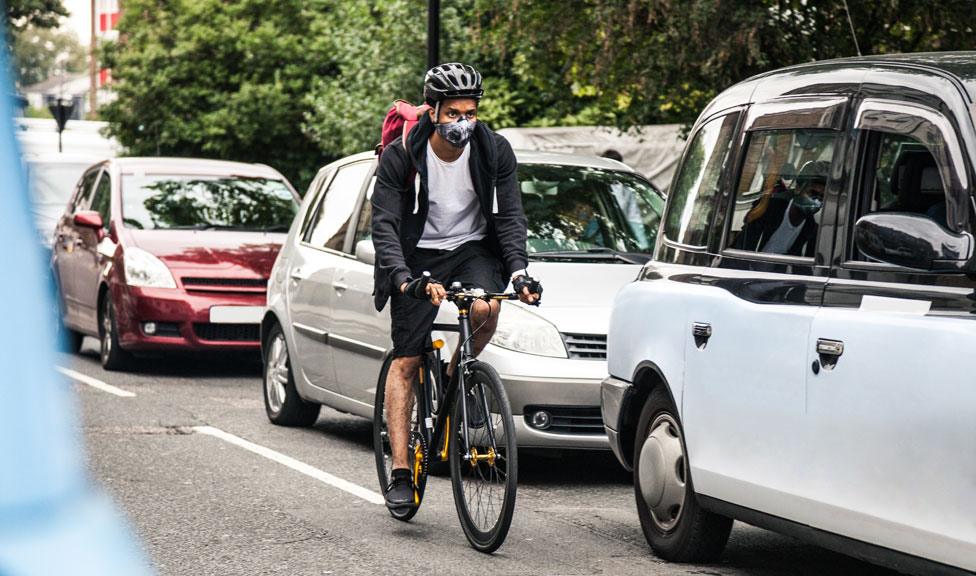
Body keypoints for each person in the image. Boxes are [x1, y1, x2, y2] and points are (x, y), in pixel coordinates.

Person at [371, 62, 542, 510]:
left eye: (470, 112)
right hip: (415, 252)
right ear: (433, 111)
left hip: (470, 248)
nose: (463, 123)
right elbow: (385, 225)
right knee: (406, 360)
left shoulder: (494, 151)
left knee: (487, 308)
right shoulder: (402, 156)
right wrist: (403, 279)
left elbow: (509, 217)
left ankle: (457, 377)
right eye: (453, 114)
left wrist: (520, 270)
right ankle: (402, 471)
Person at [735, 160, 828, 257]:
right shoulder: (767, 209)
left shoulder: (811, 228)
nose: (817, 201)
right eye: (813, 193)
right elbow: (741, 250)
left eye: (822, 197)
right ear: (798, 189)